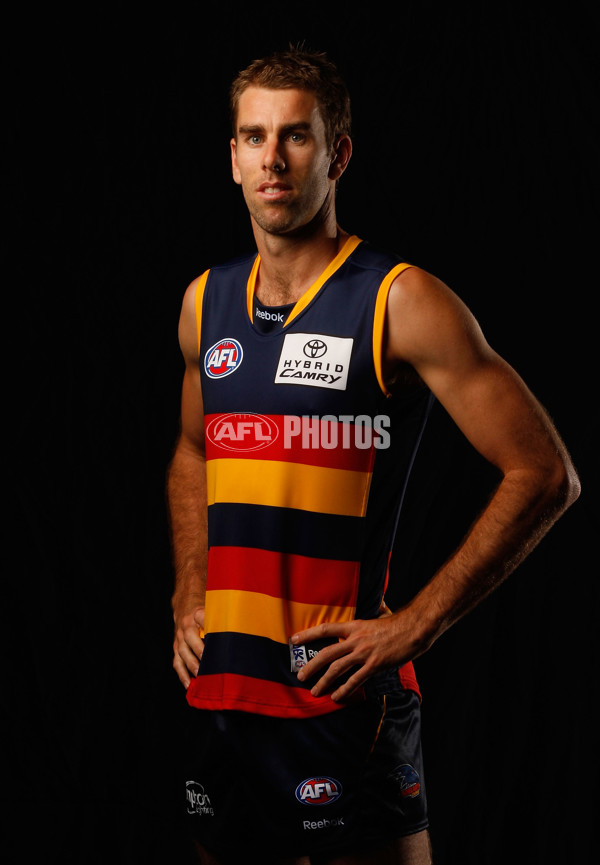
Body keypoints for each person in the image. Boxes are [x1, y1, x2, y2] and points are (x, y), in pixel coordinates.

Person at [167, 47, 580, 865]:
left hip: (340, 700)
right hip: (225, 692)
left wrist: (417, 624)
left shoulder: (399, 299)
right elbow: (191, 451)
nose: (273, 159)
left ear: (338, 152)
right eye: (254, 137)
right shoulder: (204, 301)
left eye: (296, 137)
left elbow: (544, 472)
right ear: (233, 158)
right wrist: (191, 586)